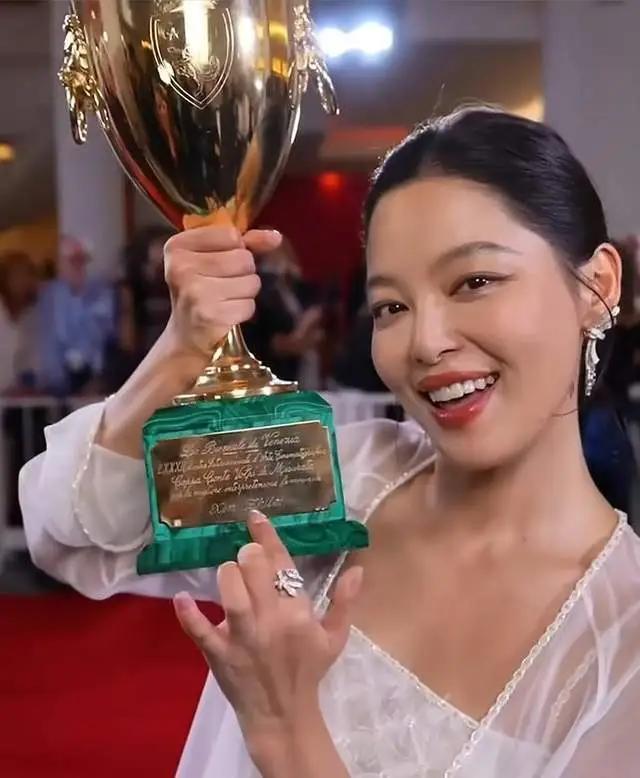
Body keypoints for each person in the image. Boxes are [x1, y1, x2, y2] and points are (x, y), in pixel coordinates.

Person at [18, 108, 640, 777]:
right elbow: (73, 534)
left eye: (475, 282)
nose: (426, 343)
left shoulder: (622, 639)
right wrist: (178, 352)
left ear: (598, 288)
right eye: (391, 307)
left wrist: (287, 731)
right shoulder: (338, 473)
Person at [36, 236, 117, 396]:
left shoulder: (102, 291)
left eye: (82, 260)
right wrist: (54, 383)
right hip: (58, 382)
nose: (78, 266)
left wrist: (101, 377)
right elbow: (48, 340)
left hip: (97, 378)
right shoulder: (50, 296)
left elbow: (107, 334)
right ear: (60, 264)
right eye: (72, 260)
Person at [243, 236, 325, 387]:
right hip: (274, 374)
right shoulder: (261, 291)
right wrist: (297, 342)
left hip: (302, 367)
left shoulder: (292, 288)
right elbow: (266, 342)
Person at [0, 251, 39, 393]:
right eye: (16, 275)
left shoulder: (32, 316)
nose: (23, 281)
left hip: (17, 400)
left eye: (27, 274)